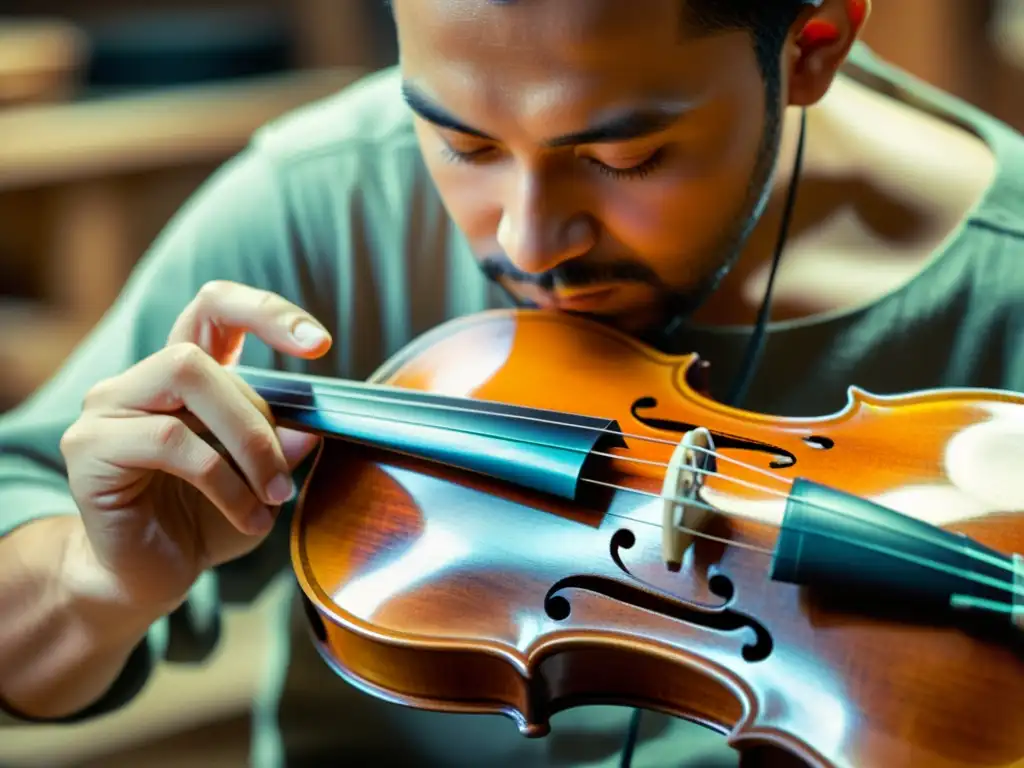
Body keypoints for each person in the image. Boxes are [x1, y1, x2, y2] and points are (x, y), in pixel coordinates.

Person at [2, 0, 1022, 765]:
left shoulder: (1004, 284)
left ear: (813, 45)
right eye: (463, 143)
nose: (529, 241)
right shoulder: (326, 195)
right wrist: (91, 584)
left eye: (624, 154)